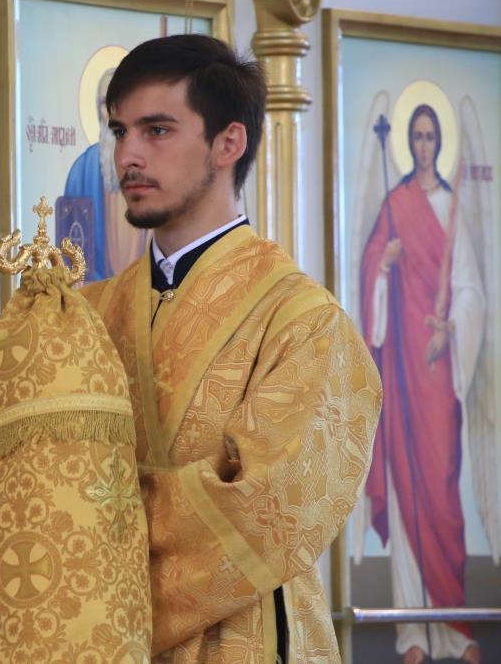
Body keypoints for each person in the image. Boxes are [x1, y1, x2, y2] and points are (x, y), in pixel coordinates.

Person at [80, 34, 382, 662]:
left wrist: (88, 534)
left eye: (157, 130)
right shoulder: (88, 314)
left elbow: (264, 510)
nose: (128, 155)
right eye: (120, 131)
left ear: (228, 143)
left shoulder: (302, 321)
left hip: (246, 639)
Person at [360, 104, 484, 664]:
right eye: (419, 137)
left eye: (433, 136)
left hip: (437, 371)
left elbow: (471, 288)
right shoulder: (396, 204)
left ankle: (456, 632)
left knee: (441, 485)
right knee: (406, 485)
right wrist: (384, 265)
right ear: (409, 143)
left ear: (441, 143)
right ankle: (412, 633)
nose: (426, 145)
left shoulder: (450, 208)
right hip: (402, 371)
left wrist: (451, 328)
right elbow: (369, 276)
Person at [62, 66, 147, 280]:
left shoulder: (151, 165)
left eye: (120, 102)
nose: (111, 110)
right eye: (104, 103)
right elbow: (70, 244)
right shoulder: (82, 170)